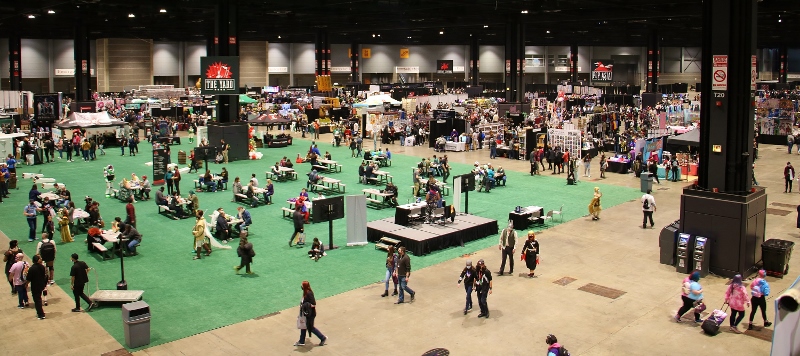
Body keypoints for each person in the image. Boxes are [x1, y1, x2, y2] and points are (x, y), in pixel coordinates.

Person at [294, 281, 328, 347]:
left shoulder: (309, 293)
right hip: (305, 314)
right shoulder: (306, 293)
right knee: (303, 326)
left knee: (310, 327)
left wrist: (305, 305)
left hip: (310, 314)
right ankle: (301, 341)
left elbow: (313, 304)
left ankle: (323, 338)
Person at [27, 255, 48, 319]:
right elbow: (44, 275)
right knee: (38, 298)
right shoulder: (42, 267)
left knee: (37, 300)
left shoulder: (32, 268)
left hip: (35, 286)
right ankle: (41, 312)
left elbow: (28, 279)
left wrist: (25, 285)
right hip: (41, 285)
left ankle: (41, 314)